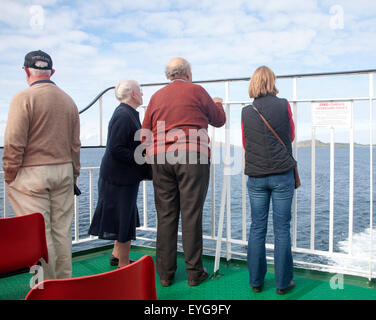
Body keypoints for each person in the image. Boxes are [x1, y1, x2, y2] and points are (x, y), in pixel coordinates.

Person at [141, 57, 226, 286]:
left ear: (168, 75)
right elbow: (218, 120)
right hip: (192, 155)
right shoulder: (197, 91)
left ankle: (166, 275)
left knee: (166, 216)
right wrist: (218, 103)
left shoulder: (156, 96)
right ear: (188, 73)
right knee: (191, 214)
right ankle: (194, 273)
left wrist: (152, 154)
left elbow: (145, 132)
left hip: (161, 157)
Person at [3, 50, 81, 280]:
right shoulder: (68, 101)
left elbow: (14, 142)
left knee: (40, 234)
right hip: (65, 171)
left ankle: (44, 287)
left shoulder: (23, 98)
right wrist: (74, 173)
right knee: (61, 232)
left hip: (32, 174)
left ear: (26, 71)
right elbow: (75, 144)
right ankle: (65, 284)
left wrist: (10, 173)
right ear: (52, 72)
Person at [241, 65, 296, 294]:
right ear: (272, 81)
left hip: (256, 177)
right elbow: (291, 134)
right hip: (282, 175)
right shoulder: (283, 105)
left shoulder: (246, 111)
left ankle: (256, 282)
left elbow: (245, 143)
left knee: (257, 228)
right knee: (282, 229)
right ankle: (283, 284)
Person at [88, 80, 149, 268]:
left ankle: (117, 255)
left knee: (125, 216)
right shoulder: (124, 115)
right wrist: (142, 158)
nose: (142, 94)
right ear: (132, 94)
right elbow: (116, 148)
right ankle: (123, 264)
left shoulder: (127, 113)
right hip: (118, 179)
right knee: (123, 219)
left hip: (122, 177)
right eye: (140, 91)